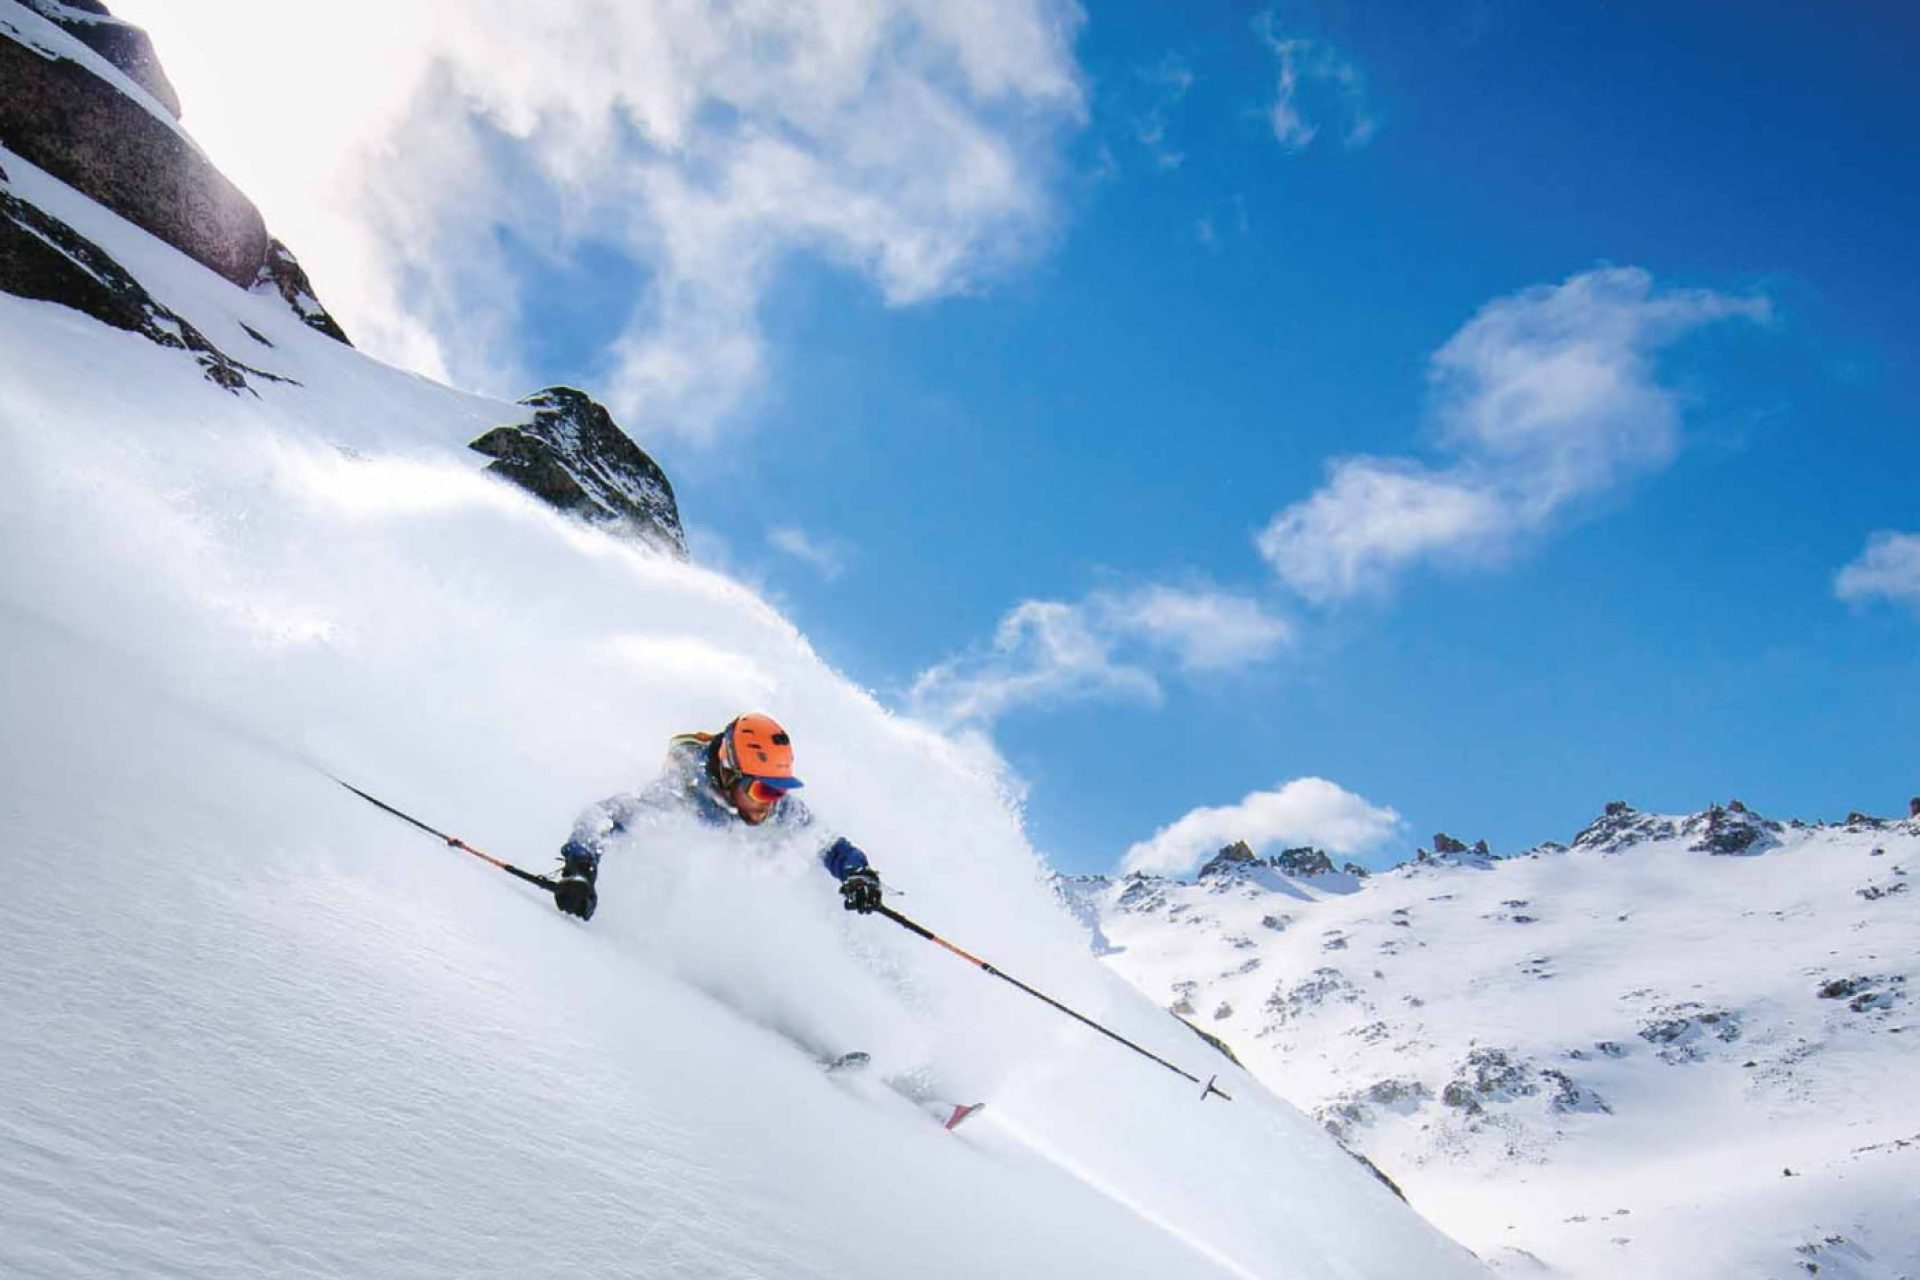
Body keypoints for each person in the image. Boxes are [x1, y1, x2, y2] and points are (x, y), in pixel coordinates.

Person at [550, 712, 883, 923]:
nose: (771, 803)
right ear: (730, 775)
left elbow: (829, 845)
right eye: (763, 791)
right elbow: (604, 815)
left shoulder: (778, 805)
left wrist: (859, 874)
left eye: (779, 791)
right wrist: (579, 870)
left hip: (735, 875)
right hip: (671, 882)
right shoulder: (681, 793)